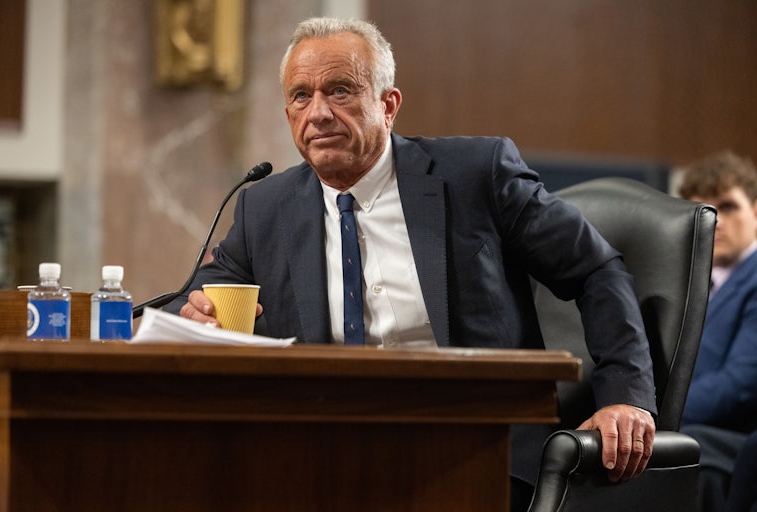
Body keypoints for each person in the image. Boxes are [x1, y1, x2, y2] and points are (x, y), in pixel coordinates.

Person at [165, 17, 657, 510]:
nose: (318, 113)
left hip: (476, 448)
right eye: (300, 96)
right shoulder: (265, 207)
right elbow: (197, 295)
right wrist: (196, 313)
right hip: (323, 451)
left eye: (340, 91)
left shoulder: (476, 174)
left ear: (388, 105)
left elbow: (595, 270)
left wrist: (624, 396)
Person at [677, 151, 757, 512]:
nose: (716, 221)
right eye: (703, 210)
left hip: (736, 436)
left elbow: (741, 384)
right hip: (693, 426)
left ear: (755, 211)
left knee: (686, 449)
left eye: (728, 206)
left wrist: (654, 415)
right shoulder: (681, 283)